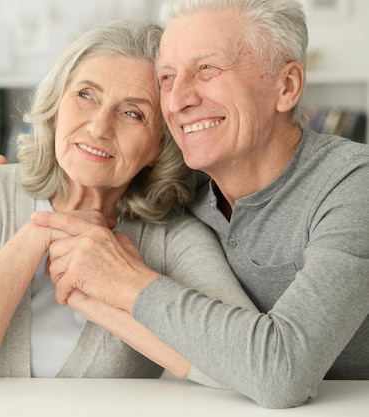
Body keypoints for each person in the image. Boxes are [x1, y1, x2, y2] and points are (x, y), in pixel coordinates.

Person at [28, 0, 369, 409]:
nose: (177, 101)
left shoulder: (353, 186)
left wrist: (126, 282)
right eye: (168, 77)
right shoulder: (189, 188)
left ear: (287, 87)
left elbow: (283, 373)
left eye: (207, 69)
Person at [0, 20, 257, 387]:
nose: (99, 127)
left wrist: (123, 293)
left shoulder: (172, 237)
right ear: (57, 106)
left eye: (132, 113)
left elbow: (248, 364)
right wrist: (38, 234)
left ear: (159, 146)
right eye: (86, 95)